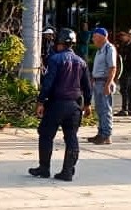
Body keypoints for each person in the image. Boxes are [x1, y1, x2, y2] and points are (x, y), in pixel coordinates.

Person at [29, 28, 92, 181]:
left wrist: (41, 101)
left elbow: (48, 83)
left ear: (59, 43)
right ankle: (68, 171)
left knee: (46, 135)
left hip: (56, 104)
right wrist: (88, 104)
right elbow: (87, 86)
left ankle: (44, 168)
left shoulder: (55, 59)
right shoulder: (81, 62)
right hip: (74, 106)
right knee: (71, 137)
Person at [88, 27, 118, 144]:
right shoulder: (99, 50)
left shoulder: (109, 49)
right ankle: (101, 133)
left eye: (94, 36)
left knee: (105, 109)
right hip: (98, 82)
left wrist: (108, 84)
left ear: (102, 37)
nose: (93, 39)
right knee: (100, 109)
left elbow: (112, 68)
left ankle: (106, 135)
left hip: (104, 82)